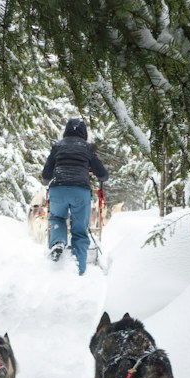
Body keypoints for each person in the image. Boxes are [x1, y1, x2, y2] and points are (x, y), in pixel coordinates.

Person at [40, 117, 109, 276]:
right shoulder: (87, 148)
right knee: (79, 231)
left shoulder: (57, 147)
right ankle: (79, 270)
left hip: (58, 189)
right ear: (84, 133)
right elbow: (103, 174)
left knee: (57, 218)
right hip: (80, 191)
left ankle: (58, 241)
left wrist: (47, 179)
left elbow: (45, 175)